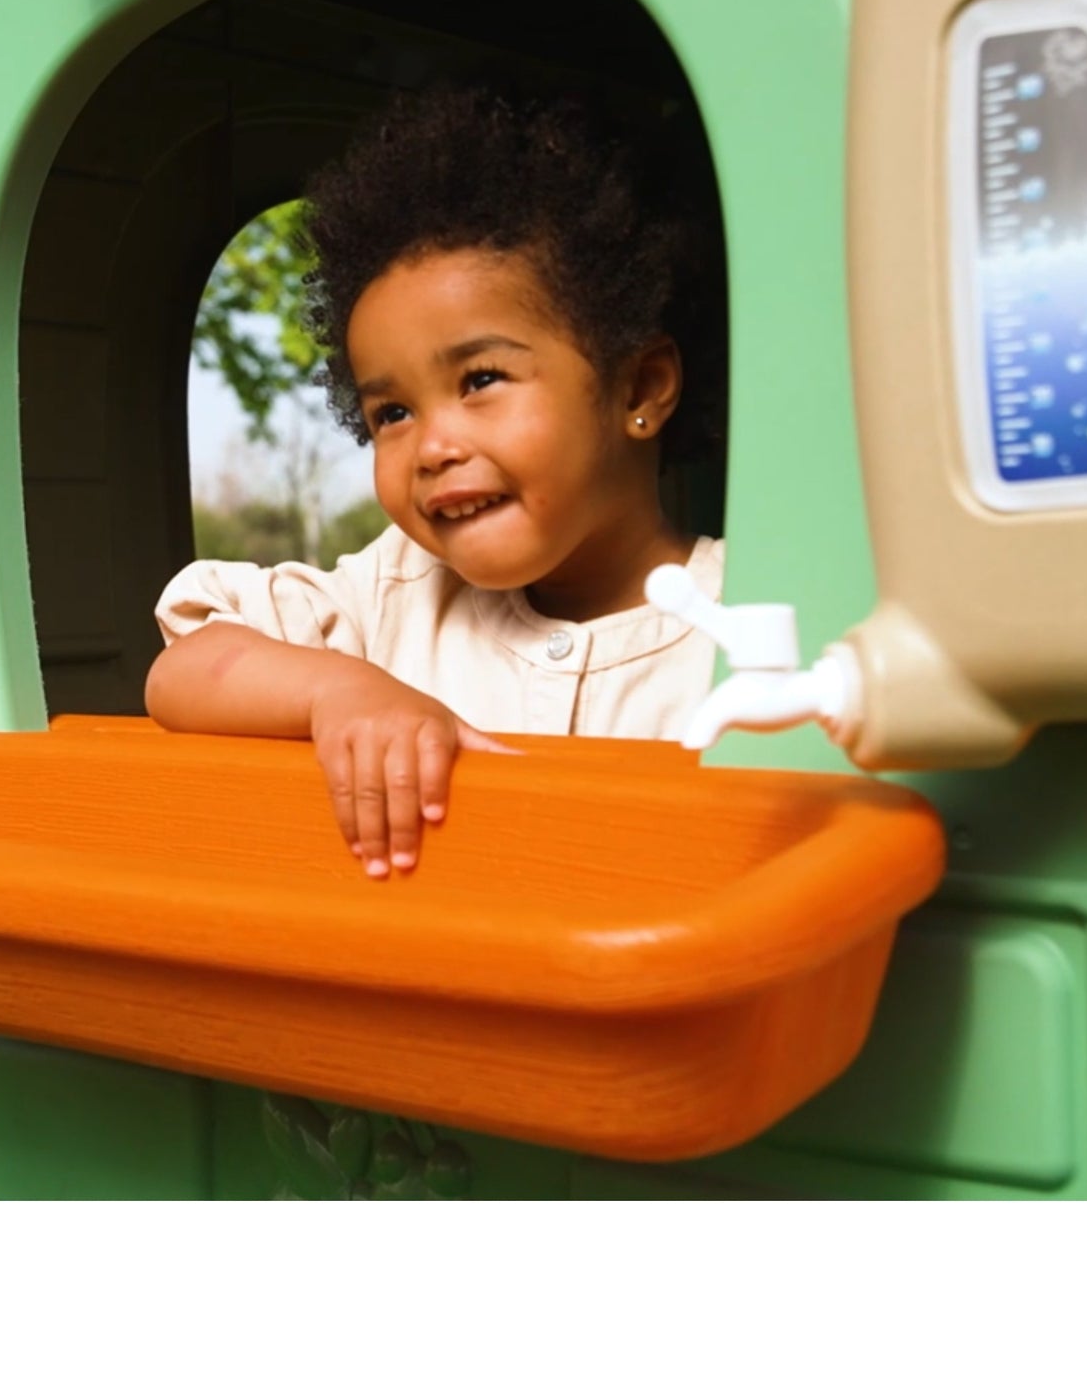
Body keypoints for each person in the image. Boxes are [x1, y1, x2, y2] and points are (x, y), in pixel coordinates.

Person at [147, 84, 726, 879]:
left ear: (638, 389)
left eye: (481, 378)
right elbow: (183, 669)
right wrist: (338, 692)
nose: (431, 446)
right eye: (391, 414)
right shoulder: (391, 594)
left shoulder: (747, 620)